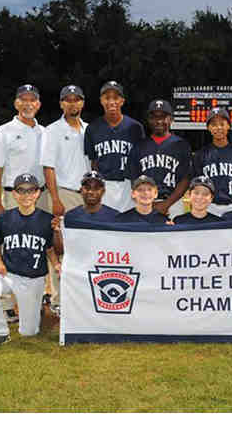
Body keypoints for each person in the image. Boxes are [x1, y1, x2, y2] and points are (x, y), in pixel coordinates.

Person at [0, 174, 60, 350]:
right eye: (21, 190)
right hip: (9, 275)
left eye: (31, 190)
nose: (26, 195)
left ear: (38, 193)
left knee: (28, 332)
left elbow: (50, 249)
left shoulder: (46, 220)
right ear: (14, 194)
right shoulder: (5, 218)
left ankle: (35, 307)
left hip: (33, 280)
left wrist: (57, 265)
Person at [0, 84, 48, 323]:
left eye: (32, 100)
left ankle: (42, 295)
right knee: (9, 245)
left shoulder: (45, 133)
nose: (28, 104)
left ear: (39, 104)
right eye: (23, 100)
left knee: (40, 244)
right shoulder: (3, 132)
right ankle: (7, 303)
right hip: (14, 196)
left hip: (41, 195)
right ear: (16, 103)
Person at [40, 84, 90, 315]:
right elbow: (48, 167)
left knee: (82, 248)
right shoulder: (53, 130)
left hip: (87, 195)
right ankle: (58, 300)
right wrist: (55, 198)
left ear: (82, 103)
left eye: (76, 100)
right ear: (61, 104)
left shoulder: (88, 129)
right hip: (64, 192)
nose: (72, 104)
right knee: (60, 248)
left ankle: (80, 295)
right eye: (67, 100)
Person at [125, 99, 192, 219]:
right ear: (149, 120)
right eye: (154, 117)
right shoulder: (139, 146)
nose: (159, 121)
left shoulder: (181, 145)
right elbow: (134, 179)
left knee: (174, 237)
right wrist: (148, 202)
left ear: (171, 119)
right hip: (145, 202)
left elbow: (185, 180)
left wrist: (166, 204)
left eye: (163, 117)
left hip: (173, 203)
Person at [84, 81, 145, 212]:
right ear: (101, 100)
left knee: (128, 227)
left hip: (129, 184)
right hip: (105, 185)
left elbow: (141, 159)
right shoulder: (92, 128)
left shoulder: (135, 128)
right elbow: (93, 161)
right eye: (107, 98)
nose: (112, 102)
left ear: (122, 101)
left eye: (116, 98)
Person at [192, 107, 232, 217]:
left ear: (228, 126)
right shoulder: (200, 155)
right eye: (214, 124)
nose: (218, 127)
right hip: (209, 206)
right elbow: (194, 186)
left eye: (222, 124)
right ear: (209, 128)